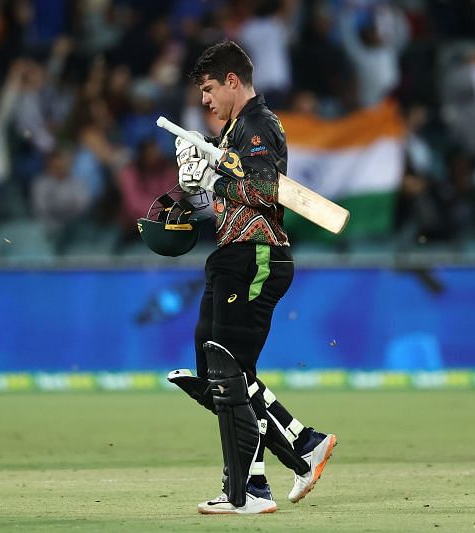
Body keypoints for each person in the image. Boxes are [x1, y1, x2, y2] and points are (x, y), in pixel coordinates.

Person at [170, 41, 337, 515]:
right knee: (219, 371)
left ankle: (250, 490)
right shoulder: (233, 132)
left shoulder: (259, 125)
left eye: (208, 89)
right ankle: (300, 446)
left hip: (257, 256)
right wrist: (183, 192)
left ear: (232, 81)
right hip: (233, 255)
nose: (204, 100)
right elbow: (228, 192)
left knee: (228, 373)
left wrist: (211, 178)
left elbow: (265, 189)